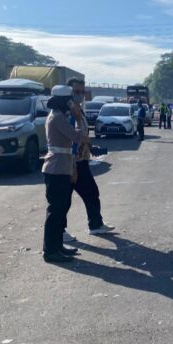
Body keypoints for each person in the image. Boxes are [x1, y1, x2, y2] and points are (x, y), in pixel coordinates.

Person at [63, 77, 115, 242]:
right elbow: (69, 136)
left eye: (82, 92)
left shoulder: (78, 109)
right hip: (71, 162)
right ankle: (60, 231)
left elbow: (83, 134)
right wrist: (72, 163)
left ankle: (95, 224)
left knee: (91, 193)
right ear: (68, 92)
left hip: (81, 160)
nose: (80, 95)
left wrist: (91, 148)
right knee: (63, 198)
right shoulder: (66, 111)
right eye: (76, 92)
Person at [42, 85, 83, 263]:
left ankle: (57, 246)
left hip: (62, 168)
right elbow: (78, 137)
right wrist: (78, 116)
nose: (72, 103)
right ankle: (50, 251)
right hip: (56, 169)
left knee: (61, 210)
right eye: (70, 101)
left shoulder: (59, 116)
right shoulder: (57, 118)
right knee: (56, 211)